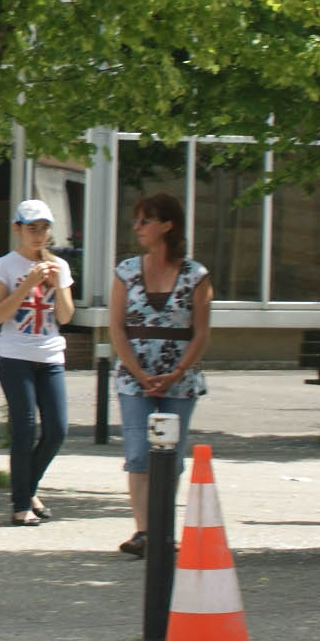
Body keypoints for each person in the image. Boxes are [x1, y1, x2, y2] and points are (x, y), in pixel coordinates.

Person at [107, 193, 213, 554]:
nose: (137, 227)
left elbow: (202, 332)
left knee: (170, 456)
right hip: (133, 377)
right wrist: (137, 372)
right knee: (138, 454)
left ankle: (163, 530)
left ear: (167, 225)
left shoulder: (196, 275)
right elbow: (116, 327)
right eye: (135, 220)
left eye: (145, 220)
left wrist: (178, 371)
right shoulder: (125, 271)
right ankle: (144, 531)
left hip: (179, 380)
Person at [0, 197, 74, 527]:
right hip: (16, 356)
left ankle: (28, 488)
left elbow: (65, 316)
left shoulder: (59, 266)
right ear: (17, 229)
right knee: (24, 429)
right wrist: (27, 284)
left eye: (44, 229)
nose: (39, 236)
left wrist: (57, 286)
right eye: (32, 229)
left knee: (57, 430)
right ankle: (20, 504)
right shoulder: (4, 266)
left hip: (50, 355)